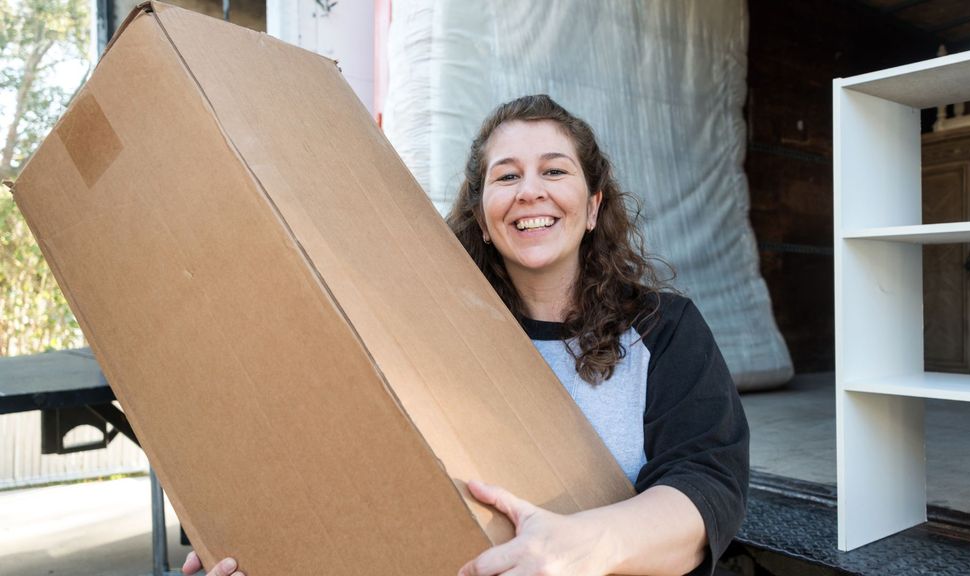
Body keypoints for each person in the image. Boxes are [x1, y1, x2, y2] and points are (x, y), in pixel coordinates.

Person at [183, 94, 748, 576]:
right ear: (482, 216)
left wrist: (578, 546)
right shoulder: (431, 336)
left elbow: (706, 490)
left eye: (554, 170)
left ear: (595, 206)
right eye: (507, 176)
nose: (530, 192)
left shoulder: (664, 329)